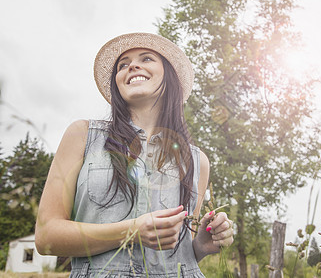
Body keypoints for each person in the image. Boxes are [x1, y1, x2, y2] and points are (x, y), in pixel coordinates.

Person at [35, 33, 234, 277]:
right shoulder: (82, 136)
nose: (132, 66)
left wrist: (201, 246)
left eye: (147, 58)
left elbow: (182, 251)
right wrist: (131, 231)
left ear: (169, 76)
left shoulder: (197, 161)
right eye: (122, 64)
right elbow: (46, 237)